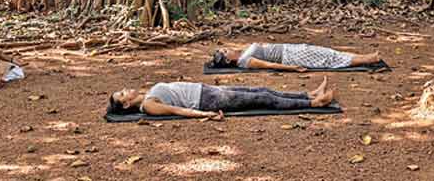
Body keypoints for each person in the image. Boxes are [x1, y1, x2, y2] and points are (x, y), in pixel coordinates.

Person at [108, 78, 336, 119]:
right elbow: (179, 111)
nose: (125, 89)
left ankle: (308, 94)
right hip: (208, 100)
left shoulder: (147, 94)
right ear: (126, 103)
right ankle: (314, 103)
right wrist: (204, 114)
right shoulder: (148, 105)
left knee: (261, 89)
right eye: (122, 94)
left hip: (206, 90)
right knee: (264, 98)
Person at [208, 43, 382, 71]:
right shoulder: (245, 61)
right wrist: (292, 68)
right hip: (290, 57)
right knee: (328, 58)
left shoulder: (241, 54)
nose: (227, 49)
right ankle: (368, 60)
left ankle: (365, 57)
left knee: (329, 52)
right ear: (228, 60)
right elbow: (268, 65)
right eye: (225, 52)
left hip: (291, 49)